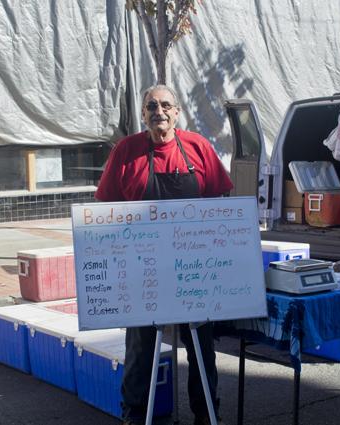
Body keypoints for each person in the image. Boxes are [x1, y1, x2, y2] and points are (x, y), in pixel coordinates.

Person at [95, 84, 233, 425]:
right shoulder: (126, 152)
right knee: (140, 349)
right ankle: (135, 415)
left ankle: (207, 414)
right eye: (152, 106)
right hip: (144, 269)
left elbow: (221, 203)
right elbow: (105, 210)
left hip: (194, 267)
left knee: (201, 347)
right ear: (143, 113)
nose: (159, 111)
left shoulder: (198, 147)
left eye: (166, 105)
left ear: (177, 111)